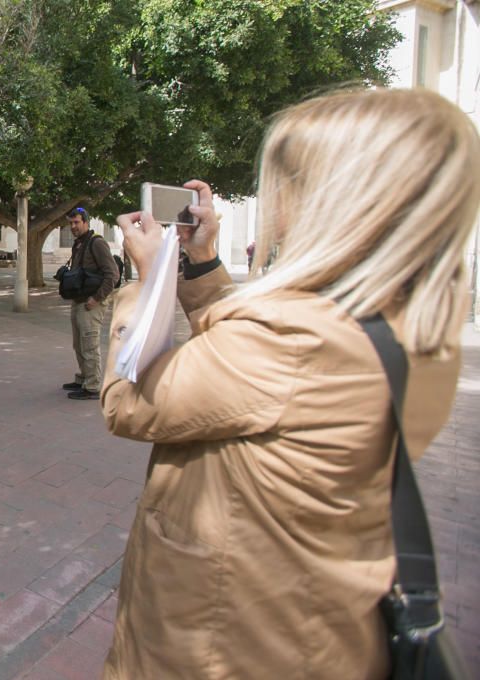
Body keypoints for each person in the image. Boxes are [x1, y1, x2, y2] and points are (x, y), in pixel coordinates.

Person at [100, 88, 480, 679]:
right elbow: (254, 373)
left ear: (333, 201)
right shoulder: (410, 327)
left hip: (222, 647)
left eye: (284, 183)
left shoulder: (292, 338)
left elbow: (128, 401)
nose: (275, 205)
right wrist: (201, 266)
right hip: (311, 628)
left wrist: (148, 284)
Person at [61, 206, 118, 400]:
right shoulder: (79, 244)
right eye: (70, 223)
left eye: (76, 222)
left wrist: (97, 298)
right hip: (79, 299)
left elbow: (113, 275)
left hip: (92, 302)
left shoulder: (97, 243)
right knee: (79, 344)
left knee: (89, 344)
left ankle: (92, 386)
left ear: (86, 222)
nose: (73, 226)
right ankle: (84, 377)